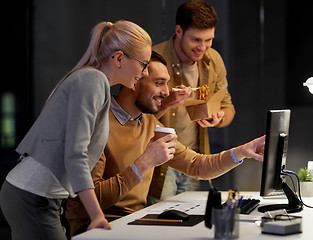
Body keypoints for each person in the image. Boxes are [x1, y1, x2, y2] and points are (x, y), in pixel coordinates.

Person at [65, 51, 265, 236]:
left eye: (167, 84)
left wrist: (242, 152)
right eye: (159, 83)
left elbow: (197, 165)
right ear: (133, 81)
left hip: (134, 221)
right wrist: (145, 162)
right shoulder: (97, 123)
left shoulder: (151, 123)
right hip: (95, 227)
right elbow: (88, 201)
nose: (166, 92)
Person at [0, 20, 152, 240]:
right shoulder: (93, 81)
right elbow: (74, 155)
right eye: (144, 64)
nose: (145, 73)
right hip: (32, 197)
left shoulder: (91, 80)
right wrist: (97, 215)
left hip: (38, 197)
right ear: (119, 58)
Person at [149, 0, 236, 203]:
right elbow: (135, 121)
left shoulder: (213, 60)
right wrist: (168, 102)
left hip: (195, 159)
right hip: (161, 162)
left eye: (209, 40)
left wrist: (219, 118)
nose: (202, 47)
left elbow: (228, 107)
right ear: (178, 31)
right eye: (196, 40)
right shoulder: (154, 60)